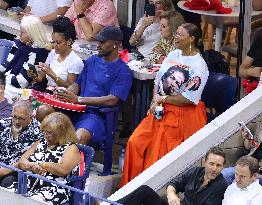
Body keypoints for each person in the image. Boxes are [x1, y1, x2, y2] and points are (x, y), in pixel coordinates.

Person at [120, 23, 208, 186]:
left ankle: (148, 191)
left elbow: (189, 99)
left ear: (192, 39)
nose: (176, 37)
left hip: (182, 114)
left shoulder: (199, 65)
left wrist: (163, 100)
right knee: (134, 142)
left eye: (180, 34)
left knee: (156, 152)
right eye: (176, 33)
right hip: (161, 107)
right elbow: (159, 78)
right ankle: (130, 187)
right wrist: (155, 99)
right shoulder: (174, 53)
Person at [55, 26, 132, 146]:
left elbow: (112, 100)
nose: (98, 45)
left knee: (79, 137)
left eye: (102, 42)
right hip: (76, 110)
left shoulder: (123, 71)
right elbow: (77, 84)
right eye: (98, 41)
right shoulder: (92, 61)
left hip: (98, 116)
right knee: (44, 113)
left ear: (115, 44)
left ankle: (70, 164)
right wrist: (64, 93)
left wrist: (79, 99)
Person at [6, 112, 80, 205]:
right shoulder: (40, 142)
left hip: (53, 188)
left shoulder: (71, 148)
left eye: (51, 133)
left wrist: (42, 165)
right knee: (6, 193)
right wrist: (29, 165)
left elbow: (63, 169)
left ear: (62, 132)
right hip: (29, 183)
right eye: (45, 131)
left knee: (31, 201)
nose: (46, 135)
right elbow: (22, 160)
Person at [117, 147, 228, 205]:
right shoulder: (195, 171)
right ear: (204, 162)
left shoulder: (221, 186)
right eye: (211, 164)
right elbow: (173, 183)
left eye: (218, 165)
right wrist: (171, 195)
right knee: (144, 190)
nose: (214, 169)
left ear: (223, 167)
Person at [0, 15, 50, 103]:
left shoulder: (38, 52)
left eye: (22, 32)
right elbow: (6, 66)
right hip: (8, 83)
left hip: (23, 91)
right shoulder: (19, 43)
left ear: (32, 34)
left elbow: (21, 82)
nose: (19, 34)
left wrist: (3, 78)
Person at [29, 16, 84, 90]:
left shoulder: (76, 61)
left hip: (62, 97)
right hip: (47, 92)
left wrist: (52, 75)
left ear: (69, 41)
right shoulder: (52, 53)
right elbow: (40, 78)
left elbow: (70, 88)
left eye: (58, 42)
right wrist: (34, 75)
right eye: (53, 42)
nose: (54, 45)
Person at [0, 100, 43, 187]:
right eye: (14, 117)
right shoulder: (3, 124)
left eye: (21, 118)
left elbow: (28, 160)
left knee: (8, 182)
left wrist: (5, 170)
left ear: (31, 117)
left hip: (18, 171)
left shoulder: (38, 132)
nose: (16, 121)